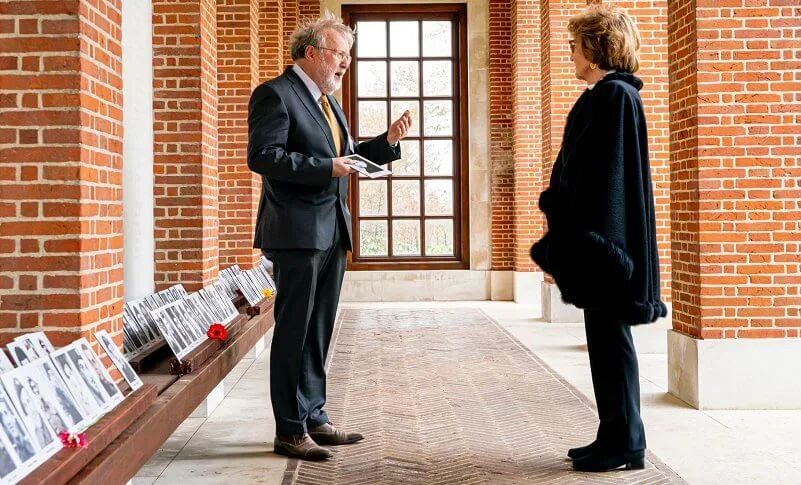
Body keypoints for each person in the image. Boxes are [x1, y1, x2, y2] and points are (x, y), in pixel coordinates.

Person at [247, 12, 411, 461]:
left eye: (349, 56)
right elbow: (264, 157)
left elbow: (348, 155)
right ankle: (288, 429)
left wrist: (386, 143)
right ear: (311, 53)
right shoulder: (275, 95)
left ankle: (314, 417)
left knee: (318, 331)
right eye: (340, 54)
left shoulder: (326, 101)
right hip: (297, 233)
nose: (346, 64)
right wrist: (326, 168)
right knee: (294, 331)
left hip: (331, 229)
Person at [529, 5, 667, 473]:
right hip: (601, 242)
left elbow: (607, 179)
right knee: (605, 342)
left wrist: (591, 241)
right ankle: (613, 434)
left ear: (595, 47)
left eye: (574, 44)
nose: (570, 52)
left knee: (612, 343)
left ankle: (626, 443)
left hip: (606, 247)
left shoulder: (612, 97)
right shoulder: (609, 95)